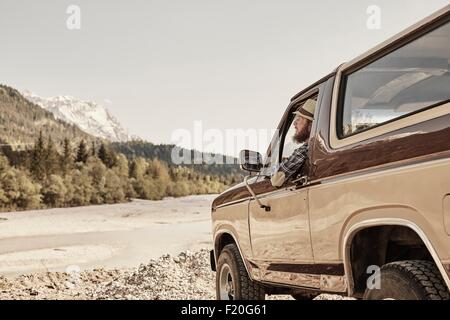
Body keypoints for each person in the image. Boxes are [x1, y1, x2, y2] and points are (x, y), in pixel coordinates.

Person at [270, 98, 316, 187]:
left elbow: (275, 180)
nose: (294, 124)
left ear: (310, 125)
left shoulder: (304, 150)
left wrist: (274, 166)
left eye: (299, 119)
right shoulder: (315, 147)